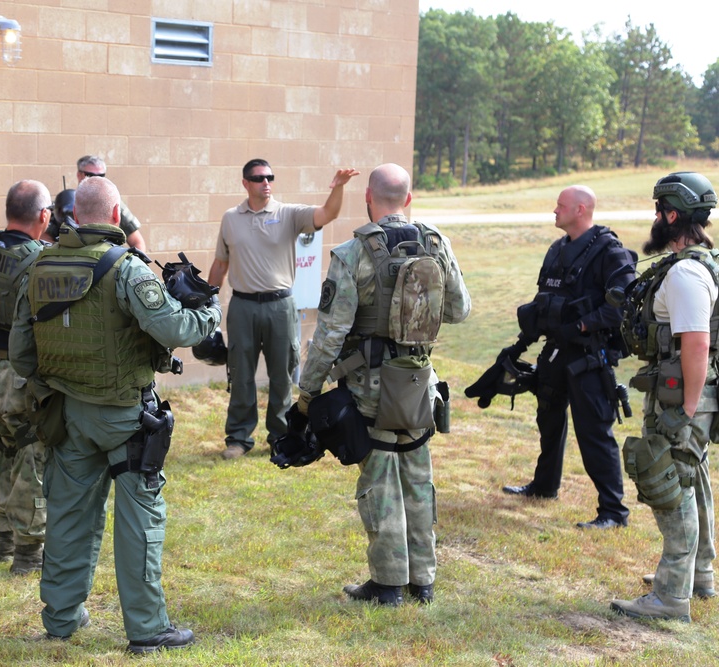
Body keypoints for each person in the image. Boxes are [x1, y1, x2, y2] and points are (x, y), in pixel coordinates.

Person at [9, 175, 221, 652]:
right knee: (139, 520)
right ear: (116, 213)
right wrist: (210, 311)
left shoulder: (38, 266)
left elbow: (22, 357)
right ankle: (147, 629)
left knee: (67, 517)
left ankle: (61, 617)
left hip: (68, 416)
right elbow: (175, 327)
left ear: (73, 215)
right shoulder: (127, 268)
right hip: (127, 417)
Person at [295, 163, 470, 606]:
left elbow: (331, 334)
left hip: (371, 387)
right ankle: (422, 580)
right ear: (408, 199)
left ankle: (388, 584)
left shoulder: (353, 255)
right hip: (419, 382)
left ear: (368, 199)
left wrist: (307, 392)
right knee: (417, 474)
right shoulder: (436, 243)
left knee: (379, 481)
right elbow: (459, 310)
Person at [611, 172, 718, 622]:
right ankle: (699, 574)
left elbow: (695, 342)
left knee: (670, 483)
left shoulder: (687, 273)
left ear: (673, 216)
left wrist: (687, 412)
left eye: (659, 211)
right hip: (693, 392)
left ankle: (671, 596)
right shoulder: (705, 262)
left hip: (682, 396)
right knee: (694, 478)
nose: (655, 218)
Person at [501, 186, 635, 529]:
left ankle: (613, 512)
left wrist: (581, 324)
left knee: (593, 432)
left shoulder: (609, 251)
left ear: (580, 209)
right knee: (548, 419)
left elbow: (621, 309)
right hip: (555, 352)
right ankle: (544, 487)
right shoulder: (557, 250)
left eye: (560, 205)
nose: (554, 210)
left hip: (589, 357)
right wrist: (521, 344)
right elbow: (544, 300)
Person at [209, 159, 359, 460]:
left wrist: (339, 188)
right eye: (258, 178)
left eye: (269, 177)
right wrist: (206, 302)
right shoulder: (230, 218)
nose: (266, 182)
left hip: (280, 306)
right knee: (240, 374)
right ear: (245, 183)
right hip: (243, 306)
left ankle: (279, 435)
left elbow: (327, 214)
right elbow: (221, 264)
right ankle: (238, 438)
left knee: (282, 374)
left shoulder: (288, 214)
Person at [0, 180, 51, 574]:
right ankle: (27, 554)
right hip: (20, 372)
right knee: (32, 455)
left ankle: (4, 542)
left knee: (7, 452)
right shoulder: (39, 260)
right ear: (44, 216)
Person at [75, 155, 146, 251]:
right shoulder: (69, 201)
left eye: (101, 176)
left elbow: (137, 242)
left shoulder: (113, 203)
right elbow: (48, 237)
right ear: (79, 175)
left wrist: (131, 264)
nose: (96, 179)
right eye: (90, 175)